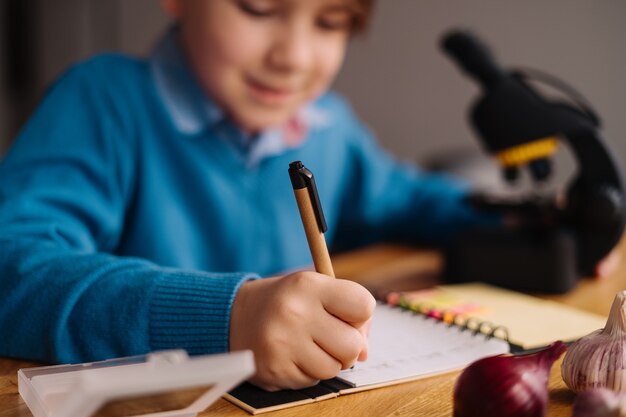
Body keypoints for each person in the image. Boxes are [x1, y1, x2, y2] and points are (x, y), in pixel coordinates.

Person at [0, 0, 617, 391]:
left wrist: (536, 230)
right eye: (258, 7)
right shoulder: (103, 102)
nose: (293, 57)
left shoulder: (326, 125)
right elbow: (13, 268)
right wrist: (229, 316)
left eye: (330, 22)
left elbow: (410, 198)